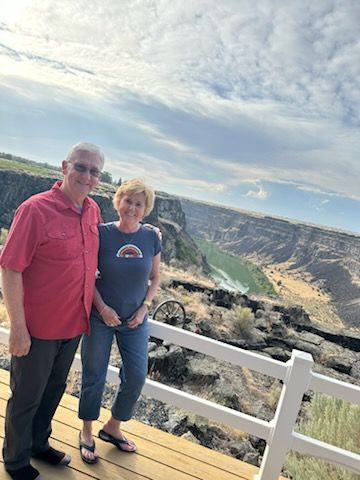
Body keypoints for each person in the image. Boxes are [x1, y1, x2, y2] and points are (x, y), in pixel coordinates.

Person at [0, 142, 105, 480]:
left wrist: (149, 235)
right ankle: (15, 460)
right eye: (81, 167)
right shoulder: (35, 210)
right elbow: (11, 268)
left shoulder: (92, 211)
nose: (86, 176)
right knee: (27, 396)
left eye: (94, 171)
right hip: (38, 327)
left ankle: (37, 444)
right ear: (64, 167)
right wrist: (18, 327)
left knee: (53, 389)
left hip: (73, 325)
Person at [78, 178, 161, 464]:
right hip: (101, 316)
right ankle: (87, 431)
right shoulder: (101, 233)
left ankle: (113, 427)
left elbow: (156, 278)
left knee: (137, 375)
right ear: (118, 201)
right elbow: (88, 276)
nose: (132, 207)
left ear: (145, 208)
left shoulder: (152, 237)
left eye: (139, 204)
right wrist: (102, 308)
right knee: (94, 373)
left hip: (135, 320)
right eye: (128, 200)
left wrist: (144, 307)